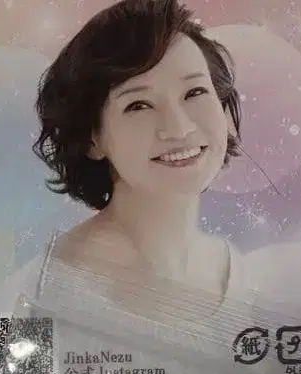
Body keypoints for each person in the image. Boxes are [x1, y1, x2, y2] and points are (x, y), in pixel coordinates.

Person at [31, 0, 244, 316]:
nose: (179, 128)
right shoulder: (42, 288)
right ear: (91, 138)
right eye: (139, 106)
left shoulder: (241, 273)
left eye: (195, 92)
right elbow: (9, 348)